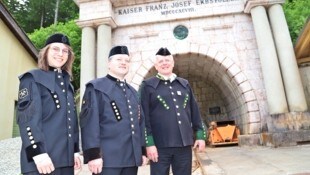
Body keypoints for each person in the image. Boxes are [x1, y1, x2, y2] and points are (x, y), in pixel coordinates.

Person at [17, 33, 81, 175]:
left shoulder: (68, 85)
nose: (60, 54)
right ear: (45, 52)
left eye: (65, 51)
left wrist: (75, 151)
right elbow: (27, 120)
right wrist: (38, 153)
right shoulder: (32, 78)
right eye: (55, 49)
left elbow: (71, 123)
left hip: (66, 162)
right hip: (41, 162)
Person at [80, 45, 147, 175]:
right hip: (107, 160)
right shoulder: (95, 87)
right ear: (109, 63)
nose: (123, 63)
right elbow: (89, 124)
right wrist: (93, 155)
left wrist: (142, 151)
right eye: (119, 59)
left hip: (131, 160)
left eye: (127, 61)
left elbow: (140, 123)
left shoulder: (133, 92)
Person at [140, 47, 206, 175]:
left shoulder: (184, 84)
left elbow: (194, 111)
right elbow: (144, 117)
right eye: (161, 61)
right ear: (156, 66)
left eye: (167, 60)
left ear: (173, 63)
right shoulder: (148, 86)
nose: (165, 63)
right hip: (159, 146)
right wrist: (149, 144)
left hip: (184, 144)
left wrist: (200, 136)